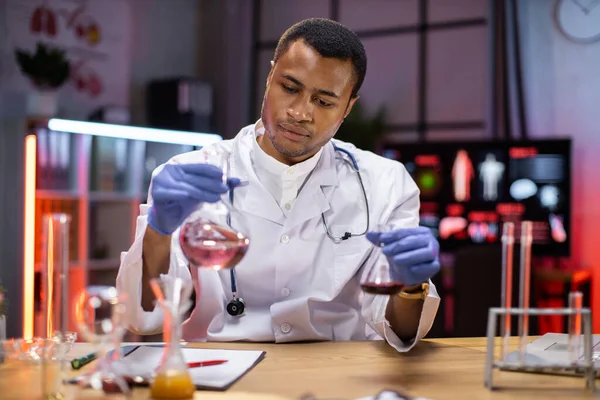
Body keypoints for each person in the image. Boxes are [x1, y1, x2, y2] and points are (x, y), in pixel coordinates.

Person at [117, 18, 441, 352]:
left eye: (324, 101)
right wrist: (158, 231)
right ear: (270, 77)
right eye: (289, 88)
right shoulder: (189, 174)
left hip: (339, 373)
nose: (300, 112)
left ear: (348, 107)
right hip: (218, 371)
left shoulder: (384, 183)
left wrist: (410, 285)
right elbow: (143, 318)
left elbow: (398, 328)